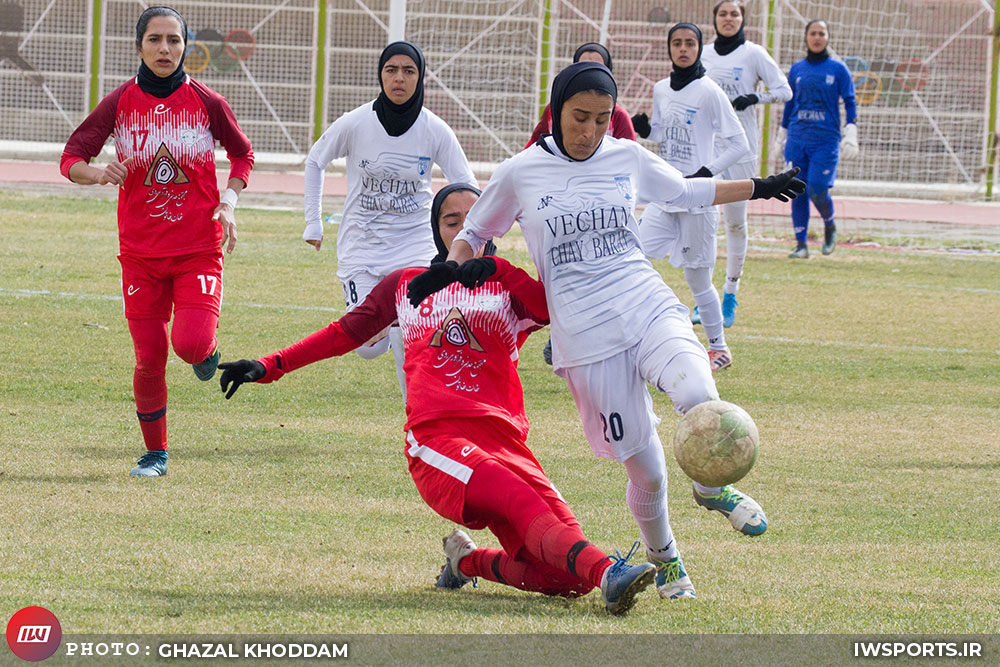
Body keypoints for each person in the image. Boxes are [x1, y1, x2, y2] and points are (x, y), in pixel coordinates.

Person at [407, 61, 804, 597]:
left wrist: (759, 186)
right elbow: (475, 231)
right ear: (555, 113)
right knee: (647, 473)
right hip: (585, 336)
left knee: (700, 395)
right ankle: (665, 558)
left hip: (644, 300)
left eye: (601, 118)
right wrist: (449, 269)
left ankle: (711, 487)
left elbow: (684, 192)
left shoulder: (625, 155)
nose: (590, 131)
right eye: (578, 118)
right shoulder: (522, 171)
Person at [218, 186, 658, 615]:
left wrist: (500, 271)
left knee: (566, 580)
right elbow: (342, 334)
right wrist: (268, 365)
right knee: (528, 511)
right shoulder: (407, 284)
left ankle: (465, 562)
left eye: (476, 221)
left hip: (506, 441)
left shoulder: (506, 287)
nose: (465, 230)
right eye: (453, 222)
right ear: (438, 231)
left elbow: (552, 310)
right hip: (438, 439)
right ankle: (609, 573)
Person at [59, 6, 254, 478]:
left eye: (173, 40)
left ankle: (205, 352)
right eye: (155, 40)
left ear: (186, 45)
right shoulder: (120, 102)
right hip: (140, 256)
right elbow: (70, 159)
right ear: (139, 45)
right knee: (149, 357)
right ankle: (155, 453)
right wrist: (98, 173)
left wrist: (228, 202)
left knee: (188, 346)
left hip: (197, 250)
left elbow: (242, 154)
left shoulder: (207, 101)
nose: (165, 49)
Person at [302, 41, 477, 400]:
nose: (399, 78)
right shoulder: (356, 123)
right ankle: (389, 328)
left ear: (421, 76)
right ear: (381, 75)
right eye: (391, 70)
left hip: (415, 245)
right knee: (367, 344)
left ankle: (417, 415)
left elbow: (467, 186)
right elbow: (315, 160)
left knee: (408, 328)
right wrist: (313, 222)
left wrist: (474, 236)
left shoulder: (435, 130)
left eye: (408, 71)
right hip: (361, 246)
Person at [633, 22, 750, 372]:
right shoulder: (660, 88)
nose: (683, 49)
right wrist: (646, 129)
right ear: (669, 49)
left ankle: (718, 347)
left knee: (698, 279)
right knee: (634, 256)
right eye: (677, 43)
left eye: (690, 43)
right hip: (665, 194)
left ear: (699, 48)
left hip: (698, 199)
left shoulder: (710, 91)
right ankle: (636, 333)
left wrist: (707, 172)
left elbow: (739, 144)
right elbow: (663, 134)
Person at [702, 0, 793, 327]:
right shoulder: (704, 54)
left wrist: (757, 97)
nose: (729, 19)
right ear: (715, 19)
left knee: (735, 223)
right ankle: (706, 298)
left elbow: (785, 90)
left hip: (741, 149)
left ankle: (730, 294)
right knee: (705, 221)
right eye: (723, 13)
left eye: (734, 14)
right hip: (709, 150)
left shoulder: (754, 53)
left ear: (743, 19)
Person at [778, 19, 858, 258]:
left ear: (828, 38)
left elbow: (850, 100)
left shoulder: (838, 69)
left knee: (817, 187)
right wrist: (782, 133)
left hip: (826, 139)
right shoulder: (797, 69)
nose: (817, 37)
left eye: (821, 33)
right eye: (813, 33)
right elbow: (790, 102)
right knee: (796, 188)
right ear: (806, 37)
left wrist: (851, 130)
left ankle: (829, 223)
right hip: (798, 137)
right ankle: (801, 245)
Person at [525, 43, 636, 148]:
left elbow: (629, 158)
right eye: (580, 118)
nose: (590, 135)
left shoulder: (619, 116)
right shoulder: (553, 109)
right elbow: (533, 148)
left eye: (601, 120)